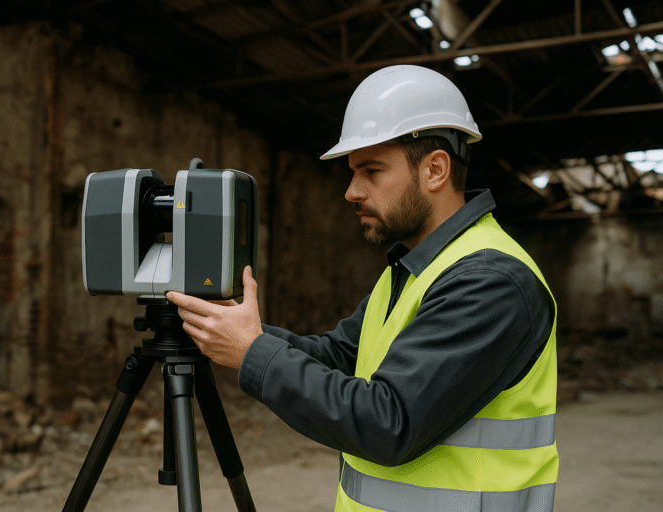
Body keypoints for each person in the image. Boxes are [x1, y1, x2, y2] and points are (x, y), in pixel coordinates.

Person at [166, 65, 559, 511]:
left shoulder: (491, 283)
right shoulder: (415, 268)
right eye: (354, 172)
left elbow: (389, 423)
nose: (351, 192)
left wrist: (253, 352)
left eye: (371, 171)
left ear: (435, 170)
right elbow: (336, 356)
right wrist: (226, 329)